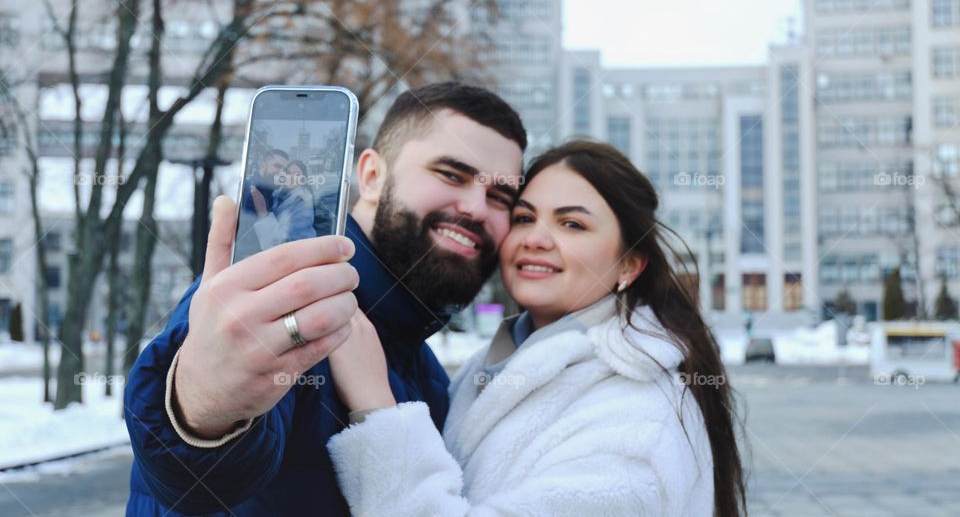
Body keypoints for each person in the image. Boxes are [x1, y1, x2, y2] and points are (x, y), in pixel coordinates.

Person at [124, 82, 527, 516]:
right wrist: (204, 409)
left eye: (500, 196)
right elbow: (201, 476)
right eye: (452, 175)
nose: (477, 207)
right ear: (372, 176)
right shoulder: (277, 296)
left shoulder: (428, 373)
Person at [326, 139, 747, 517]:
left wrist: (377, 409)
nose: (536, 239)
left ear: (629, 265)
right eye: (525, 218)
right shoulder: (500, 364)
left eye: (572, 224)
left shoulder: (638, 419)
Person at [234, 148, 289, 261]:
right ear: (263, 164)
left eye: (284, 169)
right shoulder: (252, 192)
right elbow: (245, 235)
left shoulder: (269, 190)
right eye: (277, 166)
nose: (281, 172)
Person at [250, 159, 317, 247]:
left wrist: (262, 212)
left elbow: (279, 244)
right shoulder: (277, 195)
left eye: (297, 174)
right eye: (288, 173)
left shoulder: (304, 205)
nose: (291, 177)